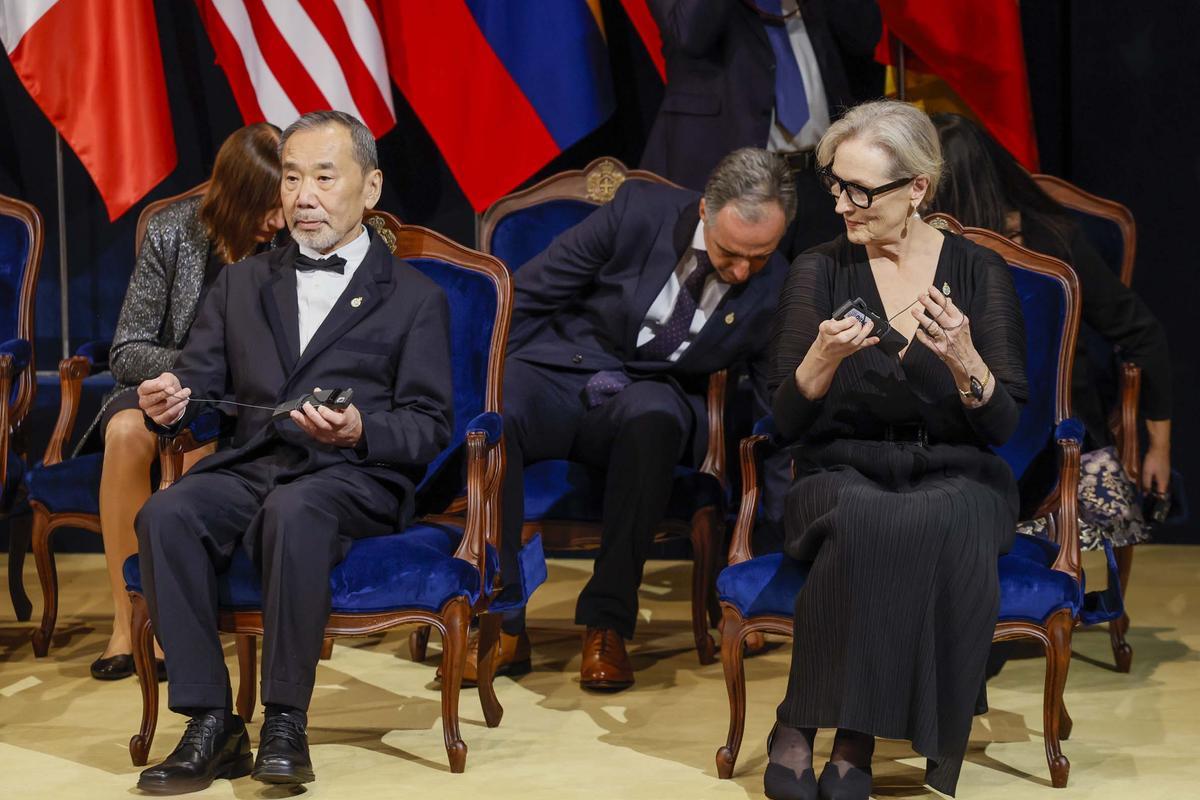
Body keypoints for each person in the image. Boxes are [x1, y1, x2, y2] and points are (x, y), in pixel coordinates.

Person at [132, 110, 454, 793]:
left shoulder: (416, 299)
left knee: (296, 508)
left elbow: (428, 426)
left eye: (323, 177)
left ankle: (284, 718)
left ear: (369, 190)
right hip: (253, 464)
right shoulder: (244, 282)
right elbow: (200, 379)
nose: (303, 194)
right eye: (292, 178)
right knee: (167, 514)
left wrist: (363, 427)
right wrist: (171, 398)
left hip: (353, 477)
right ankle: (211, 721)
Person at [764, 100, 1028, 800]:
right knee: (866, 516)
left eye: (862, 190)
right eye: (836, 185)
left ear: (917, 188)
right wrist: (819, 359)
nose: (844, 204)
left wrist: (968, 360)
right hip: (842, 465)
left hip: (956, 469)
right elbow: (784, 419)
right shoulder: (819, 271)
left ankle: (836, 732)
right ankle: (822, 729)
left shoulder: (977, 273)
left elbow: (1003, 424)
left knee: (933, 519)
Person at [478, 148, 794, 692]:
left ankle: (607, 625)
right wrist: (498, 375)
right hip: (569, 370)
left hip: (655, 393)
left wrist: (772, 542)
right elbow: (526, 293)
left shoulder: (778, 285)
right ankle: (501, 620)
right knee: (499, 407)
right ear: (704, 212)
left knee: (654, 421)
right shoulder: (637, 212)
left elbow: (775, 413)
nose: (743, 270)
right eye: (731, 253)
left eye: (759, 256)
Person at [83, 123, 286, 682]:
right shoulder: (173, 232)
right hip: (170, 386)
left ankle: (180, 626)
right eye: (266, 206)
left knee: (202, 451)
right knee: (125, 432)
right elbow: (127, 349)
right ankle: (126, 623)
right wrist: (188, 372)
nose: (277, 219)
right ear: (236, 196)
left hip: (245, 401)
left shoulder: (292, 245)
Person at [927, 112, 1172, 553]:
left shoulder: (1052, 240)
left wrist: (1159, 448)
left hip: (1050, 443)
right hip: (950, 430)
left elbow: (1142, 332)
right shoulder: (910, 247)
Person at [641, 0, 882, 257]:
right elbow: (689, 32)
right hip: (733, 183)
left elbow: (864, 35)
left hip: (822, 179)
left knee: (824, 292)